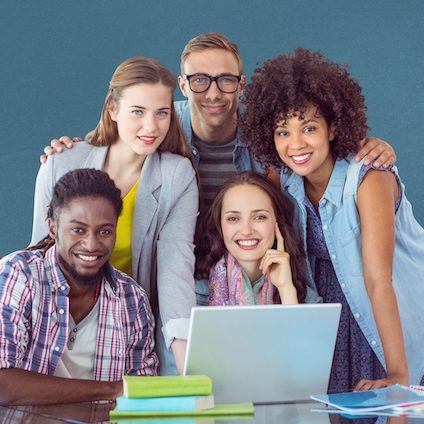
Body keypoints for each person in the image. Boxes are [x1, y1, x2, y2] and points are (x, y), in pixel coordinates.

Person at [39, 33, 396, 306]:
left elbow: (308, 142)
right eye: (199, 80)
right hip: (173, 279)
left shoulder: (262, 135)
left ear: (241, 86)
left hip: (251, 276)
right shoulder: (160, 122)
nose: (213, 93)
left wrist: (365, 146)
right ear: (182, 85)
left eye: (226, 80)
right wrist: (68, 152)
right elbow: (122, 131)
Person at [240, 48, 424, 393]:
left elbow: (377, 279)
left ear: (333, 127)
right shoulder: (284, 177)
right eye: (283, 132)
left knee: (389, 405)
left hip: (390, 317)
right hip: (329, 321)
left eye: (308, 128)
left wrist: (400, 372)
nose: (295, 144)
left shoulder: (370, 178)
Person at [31, 56, 198, 376]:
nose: (151, 126)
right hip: (61, 329)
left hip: (126, 334)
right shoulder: (60, 163)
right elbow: (39, 259)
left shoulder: (176, 176)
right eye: (138, 111)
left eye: (162, 113)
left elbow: (175, 270)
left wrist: (189, 370)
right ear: (112, 109)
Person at [0, 169, 158, 405]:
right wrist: (110, 390)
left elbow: (144, 395)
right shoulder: (19, 274)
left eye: (105, 231)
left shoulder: (131, 298)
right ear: (53, 228)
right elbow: (3, 385)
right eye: (78, 230)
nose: (92, 244)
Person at [195, 172, 307, 305]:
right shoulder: (195, 293)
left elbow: (301, 326)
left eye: (259, 217)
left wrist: (286, 289)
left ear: (277, 222)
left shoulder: (302, 292)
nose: (246, 230)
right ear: (220, 226)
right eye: (233, 218)